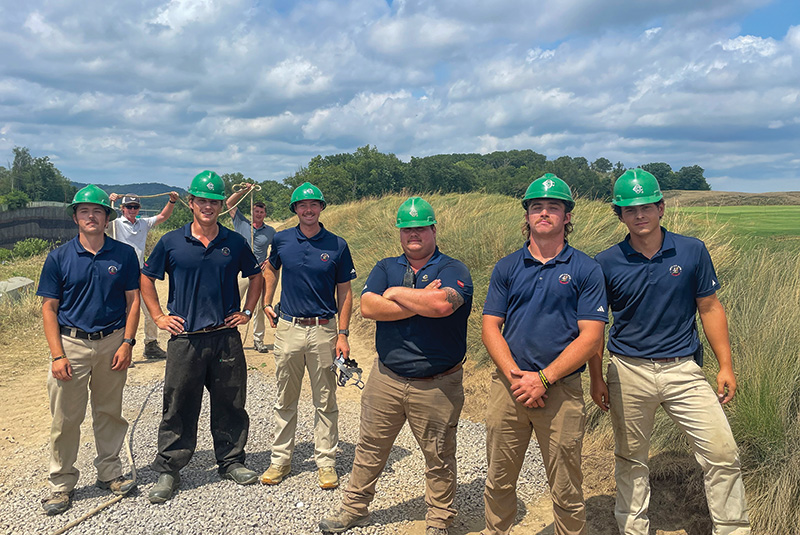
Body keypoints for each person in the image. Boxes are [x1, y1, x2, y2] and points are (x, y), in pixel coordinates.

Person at [591, 168, 751, 535]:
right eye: (630, 210)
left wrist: (725, 366)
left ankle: (733, 529)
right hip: (628, 370)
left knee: (723, 455)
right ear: (620, 215)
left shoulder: (692, 250)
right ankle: (633, 528)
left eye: (647, 206)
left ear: (661, 207)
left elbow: (709, 307)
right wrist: (597, 377)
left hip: (683, 370)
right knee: (631, 460)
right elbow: (596, 326)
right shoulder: (606, 262)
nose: (640, 215)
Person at [319, 196, 472, 535]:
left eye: (419, 228)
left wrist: (394, 294)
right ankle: (354, 509)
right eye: (407, 229)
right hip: (385, 379)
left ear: (433, 229)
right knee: (370, 447)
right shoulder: (386, 266)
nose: (413, 234)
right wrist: (416, 300)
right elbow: (368, 307)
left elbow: (442, 305)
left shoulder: (453, 269)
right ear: (400, 234)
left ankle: (438, 521)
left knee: (439, 457)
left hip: (437, 384)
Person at [481, 174, 607, 535]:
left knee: (566, 486)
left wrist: (544, 378)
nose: (545, 213)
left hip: (562, 391)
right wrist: (517, 377)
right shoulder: (507, 267)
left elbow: (591, 337)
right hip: (509, 388)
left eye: (554, 207)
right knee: (499, 479)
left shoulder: (586, 268)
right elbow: (491, 327)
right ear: (527, 215)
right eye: (537, 207)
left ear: (567, 216)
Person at [140, 170, 264, 503]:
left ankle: (231, 461)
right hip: (186, 339)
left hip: (225, 336)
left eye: (214, 201)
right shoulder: (171, 242)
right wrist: (157, 316)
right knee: (178, 403)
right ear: (191, 203)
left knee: (231, 402)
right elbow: (146, 278)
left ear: (221, 204)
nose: (208, 206)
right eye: (202, 200)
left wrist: (248, 312)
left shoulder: (234, 242)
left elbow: (257, 277)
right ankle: (169, 468)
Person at [37, 184, 141, 515]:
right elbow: (49, 308)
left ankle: (109, 472)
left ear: (107, 217)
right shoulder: (59, 258)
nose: (91, 216)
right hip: (72, 344)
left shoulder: (123, 255)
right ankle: (61, 483)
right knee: (66, 418)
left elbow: (133, 300)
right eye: (84, 211)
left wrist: (127, 342)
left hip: (112, 342)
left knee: (109, 411)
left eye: (97, 211)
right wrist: (57, 354)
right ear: (75, 217)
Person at [259, 182, 355, 490]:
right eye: (302, 205)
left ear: (321, 208)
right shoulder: (282, 239)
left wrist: (343, 333)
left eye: (314, 204)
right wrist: (266, 301)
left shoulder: (337, 244)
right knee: (285, 397)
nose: (308, 209)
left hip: (324, 331)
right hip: (288, 328)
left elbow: (345, 292)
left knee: (325, 399)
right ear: (295, 210)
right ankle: (280, 460)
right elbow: (270, 269)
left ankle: (326, 462)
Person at [108, 191, 180, 359]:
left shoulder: (143, 223)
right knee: (124, 312)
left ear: (139, 208)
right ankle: (121, 349)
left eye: (135, 207)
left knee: (149, 309)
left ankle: (151, 344)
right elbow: (102, 222)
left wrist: (172, 201)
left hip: (140, 272)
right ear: (122, 208)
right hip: (121, 274)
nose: (132, 210)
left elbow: (162, 216)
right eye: (128, 207)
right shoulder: (115, 224)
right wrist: (108, 200)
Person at [225, 183, 276, 353]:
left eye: (261, 212)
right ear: (252, 212)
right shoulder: (241, 222)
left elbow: (276, 251)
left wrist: (268, 260)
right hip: (239, 271)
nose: (258, 214)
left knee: (259, 308)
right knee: (232, 303)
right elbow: (229, 204)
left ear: (265, 214)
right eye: (256, 211)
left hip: (258, 274)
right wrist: (244, 190)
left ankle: (258, 340)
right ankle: (228, 335)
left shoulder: (271, 231)